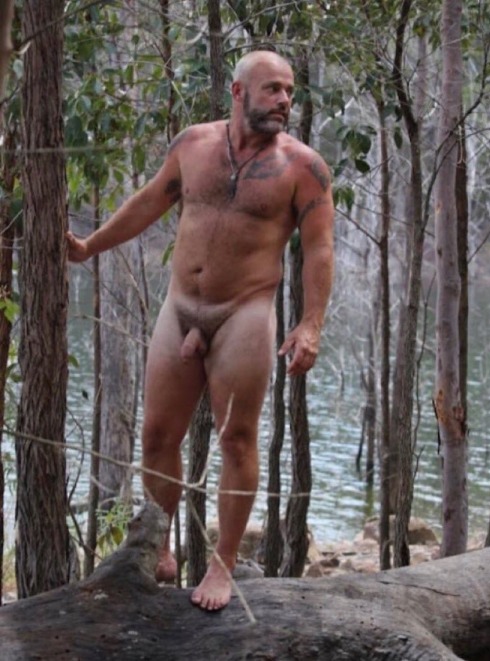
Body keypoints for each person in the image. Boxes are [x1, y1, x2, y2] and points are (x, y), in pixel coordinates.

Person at [66, 50, 335, 611]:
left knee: (237, 438)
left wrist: (311, 324)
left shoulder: (303, 168)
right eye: (272, 89)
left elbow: (319, 250)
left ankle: (222, 563)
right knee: (156, 437)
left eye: (289, 91)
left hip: (244, 313)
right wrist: (91, 246)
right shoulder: (193, 144)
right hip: (180, 308)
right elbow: (150, 201)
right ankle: (160, 545)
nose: (285, 100)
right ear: (238, 92)